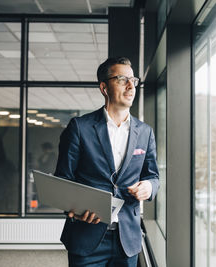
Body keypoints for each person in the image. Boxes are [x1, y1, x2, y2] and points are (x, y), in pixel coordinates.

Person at [54, 57, 159, 266]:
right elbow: (63, 180)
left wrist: (148, 186)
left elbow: (153, 176)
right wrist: (77, 208)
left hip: (127, 239)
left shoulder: (145, 132)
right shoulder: (79, 127)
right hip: (87, 237)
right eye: (122, 79)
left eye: (133, 80)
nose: (131, 86)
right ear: (104, 87)